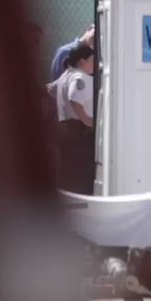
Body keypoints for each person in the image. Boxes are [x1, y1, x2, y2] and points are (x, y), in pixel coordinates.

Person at [53, 43, 96, 194]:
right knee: (80, 173)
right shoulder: (79, 77)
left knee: (70, 172)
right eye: (92, 60)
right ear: (81, 62)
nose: (95, 64)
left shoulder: (66, 75)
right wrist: (88, 121)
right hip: (79, 131)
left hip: (67, 129)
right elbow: (75, 99)